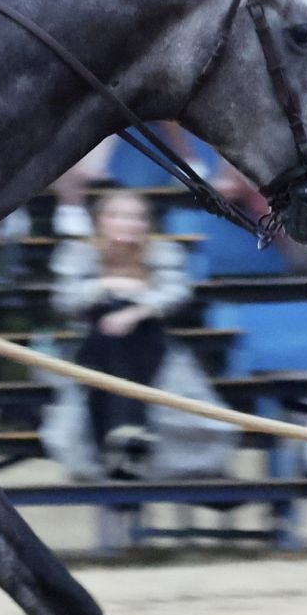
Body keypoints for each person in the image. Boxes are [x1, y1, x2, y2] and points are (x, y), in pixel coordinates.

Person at [48, 191, 193, 476]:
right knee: (106, 335)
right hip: (91, 349)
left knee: (130, 330)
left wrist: (135, 311)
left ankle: (119, 433)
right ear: (100, 221)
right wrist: (109, 286)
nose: (128, 223)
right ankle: (129, 431)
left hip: (151, 349)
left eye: (136, 217)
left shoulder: (163, 252)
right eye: (118, 216)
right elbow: (64, 301)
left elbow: (177, 294)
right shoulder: (79, 253)